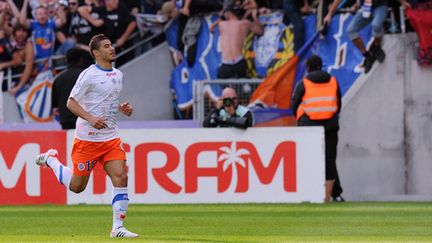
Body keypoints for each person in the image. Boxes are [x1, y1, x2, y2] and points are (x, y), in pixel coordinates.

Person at [35, 34, 138, 238]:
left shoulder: (118, 74)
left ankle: (117, 228)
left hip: (110, 138)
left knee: (121, 177)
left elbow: (105, 101)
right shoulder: (88, 75)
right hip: (87, 140)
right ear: (96, 53)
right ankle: (51, 160)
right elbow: (71, 103)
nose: (112, 48)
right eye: (107, 46)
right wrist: (90, 118)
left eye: (111, 45)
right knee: (77, 187)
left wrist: (121, 108)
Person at [291, 55, 342, 203]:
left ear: (308, 68)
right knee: (330, 160)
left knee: (309, 160)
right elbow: (338, 103)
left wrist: (301, 119)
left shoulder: (304, 83)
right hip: (331, 126)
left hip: (309, 127)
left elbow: (294, 105)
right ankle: (333, 195)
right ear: (321, 66)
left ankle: (310, 193)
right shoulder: (333, 81)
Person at [323, 0, 411, 73]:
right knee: (350, 30)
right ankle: (366, 55)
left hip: (380, 6)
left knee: (376, 25)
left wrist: (402, 2)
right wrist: (329, 15)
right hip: (366, 7)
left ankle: (376, 47)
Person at [212, 7, 263, 79]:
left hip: (226, 64)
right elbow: (260, 31)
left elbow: (211, 28)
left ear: (228, 13)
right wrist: (255, 17)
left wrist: (221, 16)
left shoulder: (222, 24)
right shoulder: (245, 23)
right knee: (241, 88)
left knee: (225, 89)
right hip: (239, 62)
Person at [51, 48, 84, 129]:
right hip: (84, 121)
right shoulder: (85, 76)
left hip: (65, 122)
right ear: (80, 59)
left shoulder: (58, 78)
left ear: (66, 60)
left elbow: (54, 104)